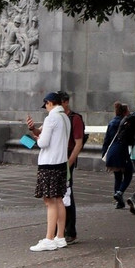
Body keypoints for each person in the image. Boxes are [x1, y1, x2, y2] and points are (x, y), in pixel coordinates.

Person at [25, 92, 70, 251]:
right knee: (58, 200)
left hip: (49, 163)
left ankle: (49, 238)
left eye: (46, 105)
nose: (45, 109)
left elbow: (43, 142)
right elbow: (40, 132)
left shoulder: (51, 117)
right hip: (60, 163)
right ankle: (60, 237)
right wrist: (32, 129)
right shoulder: (65, 117)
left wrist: (36, 139)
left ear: (50, 103)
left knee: (49, 201)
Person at [58, 91, 85, 243]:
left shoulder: (75, 118)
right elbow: (40, 133)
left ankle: (70, 230)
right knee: (57, 194)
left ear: (66, 102)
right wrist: (32, 130)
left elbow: (78, 144)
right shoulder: (55, 117)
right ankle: (58, 229)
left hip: (67, 157)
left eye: (58, 103)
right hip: (56, 158)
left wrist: (69, 163)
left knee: (67, 193)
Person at [101, 101, 133, 209]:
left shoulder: (111, 122)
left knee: (117, 177)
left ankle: (119, 202)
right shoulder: (126, 123)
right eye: (128, 110)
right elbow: (129, 139)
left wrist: (104, 153)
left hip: (112, 152)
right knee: (128, 173)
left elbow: (106, 140)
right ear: (124, 112)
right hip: (122, 151)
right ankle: (119, 192)